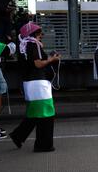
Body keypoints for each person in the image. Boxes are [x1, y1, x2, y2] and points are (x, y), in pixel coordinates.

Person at [9, 22, 61, 152]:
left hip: (29, 83)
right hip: (39, 83)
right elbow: (38, 64)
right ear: (32, 34)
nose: (41, 35)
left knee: (35, 112)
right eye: (39, 33)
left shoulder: (23, 45)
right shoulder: (33, 44)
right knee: (46, 114)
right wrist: (51, 60)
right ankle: (43, 145)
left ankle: (18, 135)